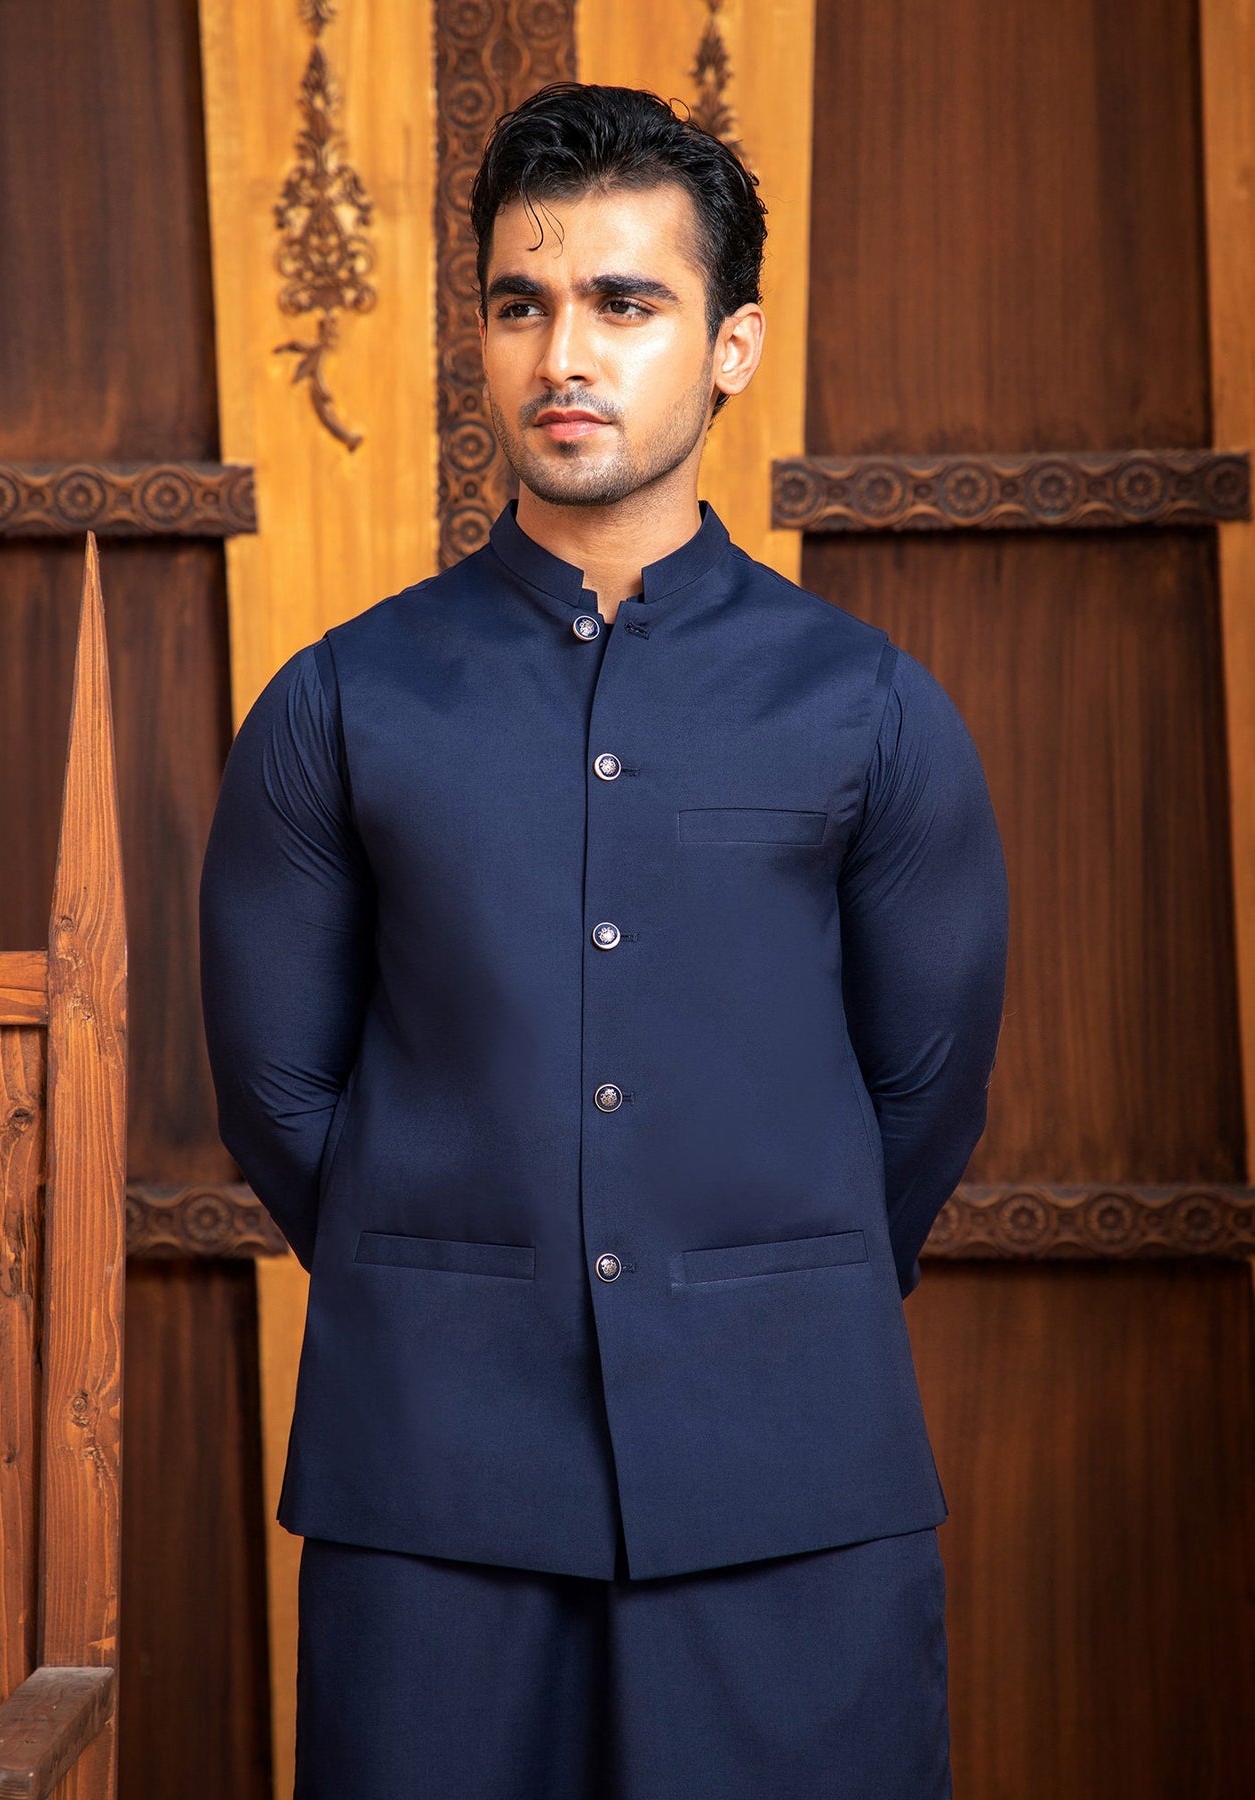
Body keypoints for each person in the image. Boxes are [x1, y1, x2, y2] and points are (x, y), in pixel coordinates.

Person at [199, 81, 1008, 1800]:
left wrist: (759, 1292)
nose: (563, 354)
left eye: (623, 304)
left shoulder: (868, 708)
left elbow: (924, 1097)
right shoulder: (339, 703)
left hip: (792, 1473)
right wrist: (454, 1277)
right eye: (520, 305)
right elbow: (277, 1095)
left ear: (729, 347)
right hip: (430, 1481)